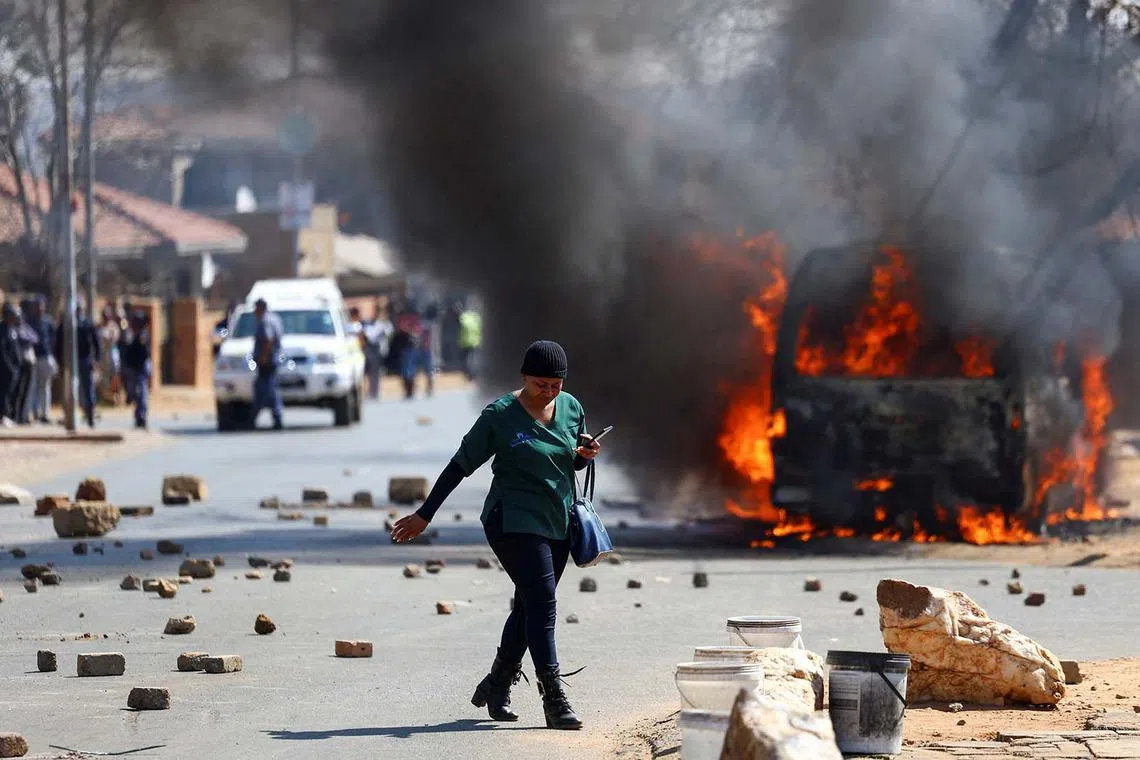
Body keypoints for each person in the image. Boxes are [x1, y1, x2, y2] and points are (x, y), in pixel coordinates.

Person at [391, 340, 601, 730]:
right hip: (512, 521)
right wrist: (425, 514)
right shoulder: (500, 416)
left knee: (529, 605)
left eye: (556, 384)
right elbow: (460, 465)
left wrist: (583, 454)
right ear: (523, 377)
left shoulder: (572, 407)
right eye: (541, 384)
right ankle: (553, 697)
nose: (549, 392)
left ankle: (498, 683)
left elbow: (568, 458)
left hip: (557, 520)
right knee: (543, 602)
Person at [56, 303, 102, 428]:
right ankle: (70, 414)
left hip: (85, 360)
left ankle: (90, 413)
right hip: (69, 361)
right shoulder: (66, 325)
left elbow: (96, 342)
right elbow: (58, 344)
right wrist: (60, 362)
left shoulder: (87, 324)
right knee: (70, 389)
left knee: (88, 388)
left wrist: (97, 359)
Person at [251, 298, 284, 430]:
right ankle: (252, 418)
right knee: (261, 389)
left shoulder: (265, 320)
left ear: (260, 308)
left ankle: (277, 417)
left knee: (269, 389)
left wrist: (263, 357)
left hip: (267, 361)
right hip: (271, 359)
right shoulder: (274, 318)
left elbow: (268, 339)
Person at [24, 296, 56, 423]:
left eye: (40, 305)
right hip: (33, 358)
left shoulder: (48, 321)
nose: (39, 308)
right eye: (36, 306)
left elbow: (54, 338)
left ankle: (45, 413)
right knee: (32, 386)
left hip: (45, 356)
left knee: (45, 386)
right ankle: (32, 413)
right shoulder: (28, 321)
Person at [121, 312, 151, 429]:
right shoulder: (130, 334)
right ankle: (138, 416)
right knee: (133, 393)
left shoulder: (143, 336)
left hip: (141, 368)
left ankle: (141, 417)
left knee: (142, 393)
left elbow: (144, 353)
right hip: (131, 368)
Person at [363, 299, 393, 400]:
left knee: (376, 373)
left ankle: (375, 392)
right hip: (369, 350)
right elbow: (370, 336)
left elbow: (388, 333)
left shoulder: (385, 324)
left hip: (378, 351)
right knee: (368, 373)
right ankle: (368, 391)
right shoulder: (370, 323)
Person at [13, 301, 37, 424]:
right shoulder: (13, 329)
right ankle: (16, 415)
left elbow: (34, 337)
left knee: (27, 391)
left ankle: (23, 416)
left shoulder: (25, 327)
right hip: (19, 363)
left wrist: (25, 339)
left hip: (29, 363)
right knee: (18, 391)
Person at [0, 303, 22, 427]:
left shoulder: (12, 329)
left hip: (14, 369)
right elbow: (2, 351)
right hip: (5, 369)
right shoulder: (2, 329)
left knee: (12, 393)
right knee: (4, 394)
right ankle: (3, 416)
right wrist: (9, 367)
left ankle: (9, 415)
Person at [458, 304, 483, 382]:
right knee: (474, 360)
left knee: (467, 361)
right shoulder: (477, 317)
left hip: (466, 343)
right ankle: (473, 375)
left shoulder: (463, 317)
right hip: (476, 342)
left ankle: (470, 376)